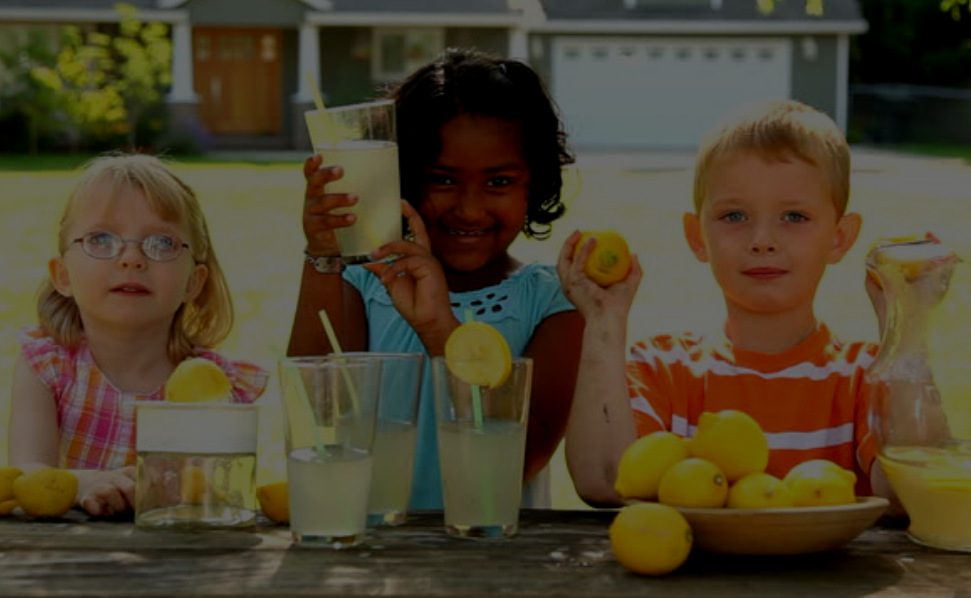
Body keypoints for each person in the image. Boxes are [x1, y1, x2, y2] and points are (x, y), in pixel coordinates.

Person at [559, 99, 896, 508]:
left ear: (840, 238)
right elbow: (606, 480)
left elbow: (907, 494)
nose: (762, 240)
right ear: (698, 237)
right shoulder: (663, 370)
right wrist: (604, 321)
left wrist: (904, 325)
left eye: (794, 217)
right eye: (734, 217)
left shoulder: (867, 375)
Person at [288, 48, 584, 510]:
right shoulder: (363, 282)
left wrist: (440, 331)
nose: (469, 208)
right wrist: (323, 256)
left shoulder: (553, 302)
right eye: (442, 180)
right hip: (370, 557)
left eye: (499, 182)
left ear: (536, 182)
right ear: (400, 178)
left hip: (492, 565)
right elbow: (317, 413)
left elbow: (521, 460)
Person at [10, 154, 268, 517]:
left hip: (177, 559)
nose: (131, 259)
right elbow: (25, 472)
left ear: (194, 282)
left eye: (161, 243)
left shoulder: (208, 384)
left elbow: (215, 493)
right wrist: (85, 484)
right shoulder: (48, 366)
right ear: (63, 274)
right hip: (69, 556)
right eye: (101, 239)